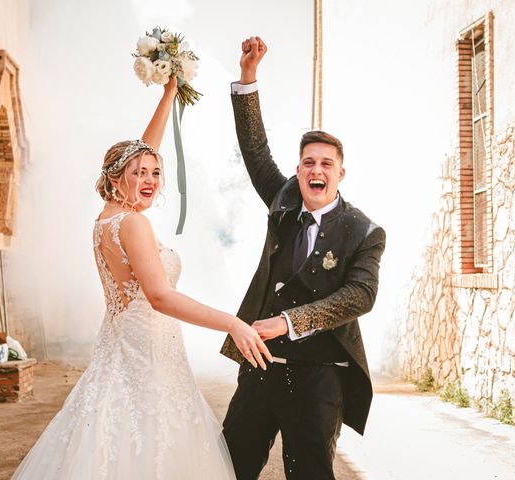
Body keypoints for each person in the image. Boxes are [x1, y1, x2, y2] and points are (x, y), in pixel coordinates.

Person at [12, 78, 272, 480]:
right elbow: (160, 297)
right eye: (140, 174)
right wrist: (232, 323)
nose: (151, 180)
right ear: (118, 179)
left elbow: (141, 153)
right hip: (146, 356)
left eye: (156, 172)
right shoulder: (132, 224)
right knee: (151, 446)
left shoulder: (107, 217)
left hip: (125, 346)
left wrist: (168, 94)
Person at [220, 36, 386, 480]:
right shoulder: (284, 200)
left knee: (311, 472)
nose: (316, 171)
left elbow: (359, 296)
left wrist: (290, 322)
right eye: (308, 162)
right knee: (230, 465)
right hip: (260, 365)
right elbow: (255, 151)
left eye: (326, 164)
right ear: (298, 171)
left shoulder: (365, 231)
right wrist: (249, 78)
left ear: (340, 173)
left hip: (320, 377)